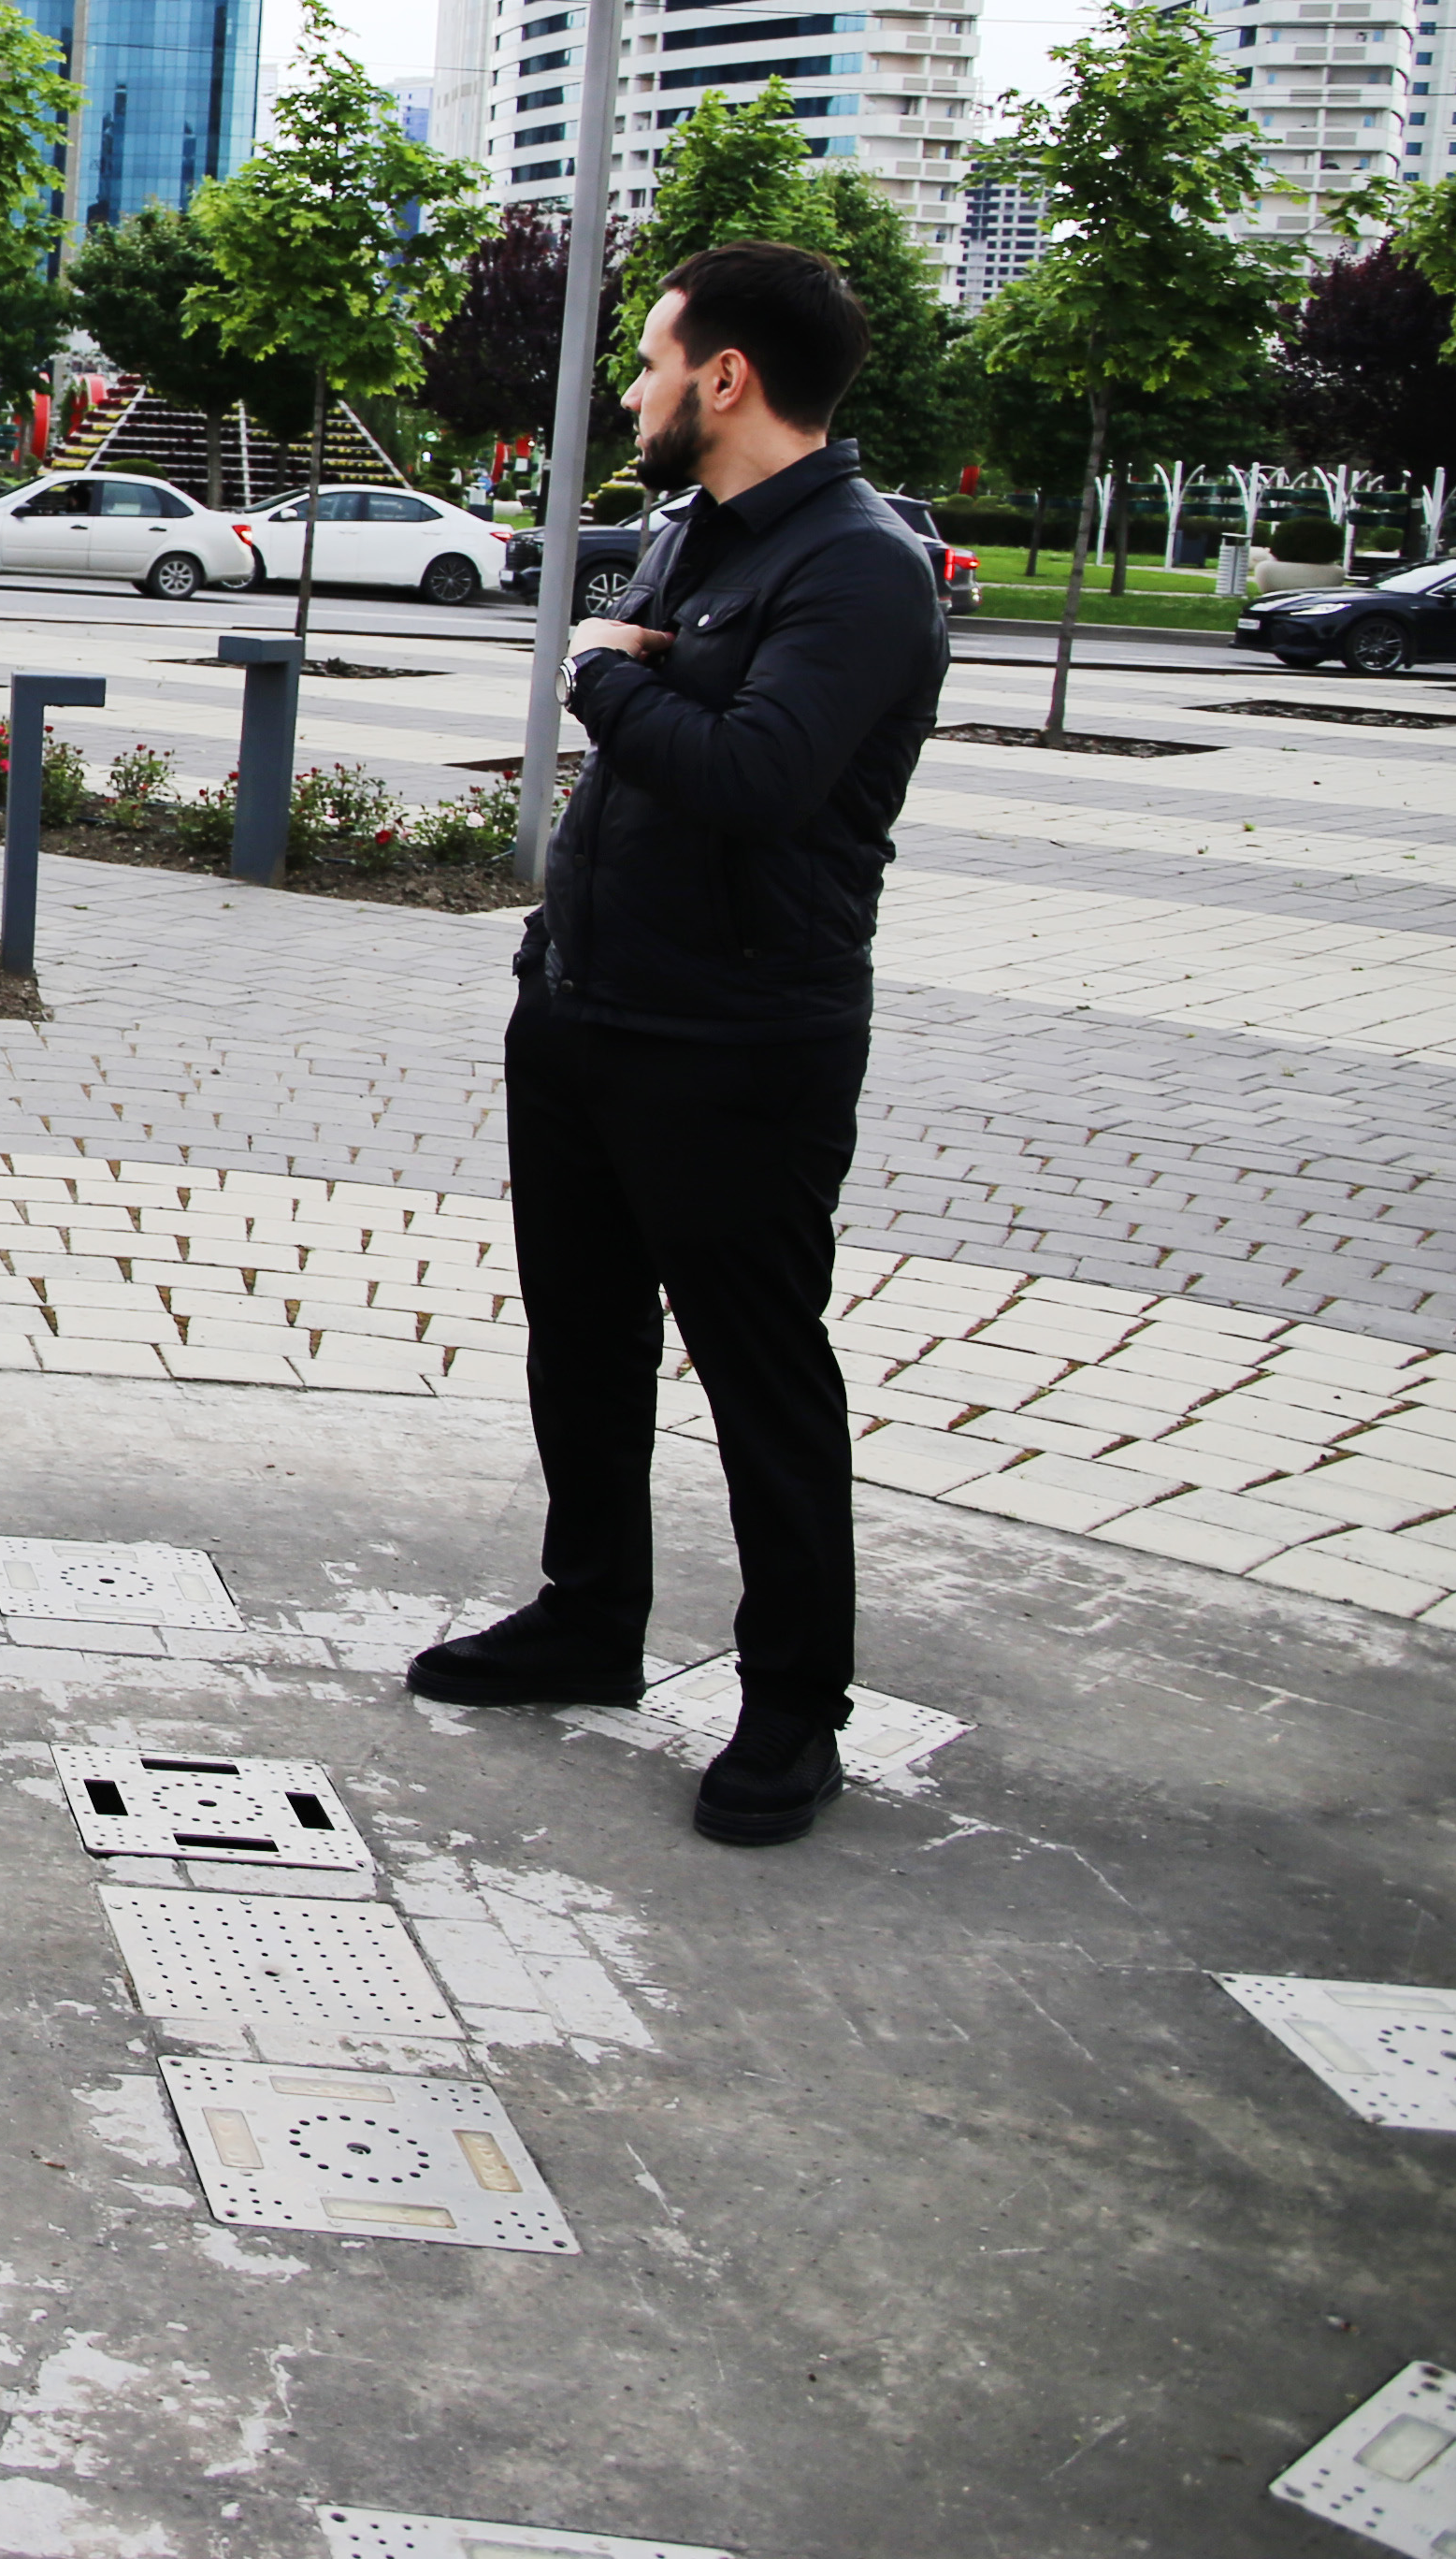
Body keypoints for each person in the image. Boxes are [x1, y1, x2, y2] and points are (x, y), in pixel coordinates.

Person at [410, 239, 949, 1847]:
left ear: (725, 376)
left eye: (650, 364)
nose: (634, 391)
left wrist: (603, 670)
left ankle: (792, 1707)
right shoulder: (692, 533)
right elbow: (691, 718)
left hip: (737, 1043)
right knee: (582, 1341)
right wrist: (652, 674)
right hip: (585, 1007)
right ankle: (588, 1617)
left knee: (761, 1372)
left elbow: (756, 776)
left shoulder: (858, 564)